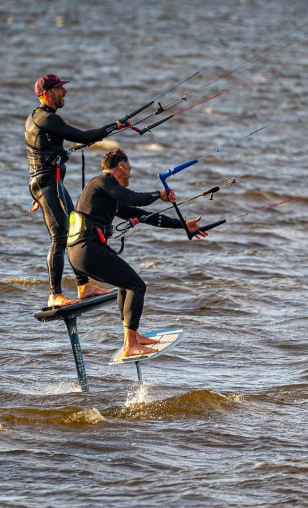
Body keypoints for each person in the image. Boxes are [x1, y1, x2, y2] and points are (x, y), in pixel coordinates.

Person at [67, 148, 208, 357]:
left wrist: (183, 225)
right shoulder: (102, 182)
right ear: (121, 167)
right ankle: (130, 345)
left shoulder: (111, 196)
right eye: (129, 169)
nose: (130, 174)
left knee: (127, 284)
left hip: (83, 252)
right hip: (87, 250)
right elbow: (133, 198)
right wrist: (158, 195)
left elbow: (144, 215)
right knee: (136, 285)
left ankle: (131, 337)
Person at [26, 74, 131, 307]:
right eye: (59, 89)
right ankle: (55, 294)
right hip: (47, 185)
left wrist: (37, 193)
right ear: (46, 93)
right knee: (60, 236)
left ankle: (83, 286)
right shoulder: (47, 119)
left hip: (50, 184)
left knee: (75, 228)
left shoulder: (41, 118)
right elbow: (84, 136)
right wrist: (114, 126)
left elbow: (38, 156)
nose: (64, 92)